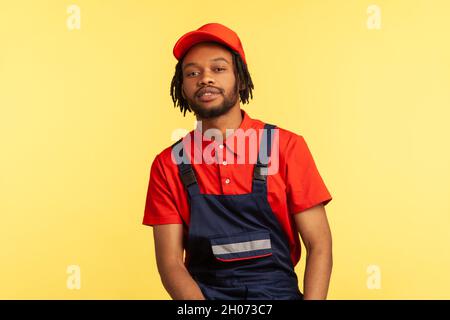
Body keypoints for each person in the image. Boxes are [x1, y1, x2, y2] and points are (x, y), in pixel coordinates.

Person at [143, 23, 333, 300]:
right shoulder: (168, 164)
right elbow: (170, 264)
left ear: (241, 79)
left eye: (218, 69)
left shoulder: (286, 147)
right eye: (192, 73)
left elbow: (319, 244)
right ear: (182, 88)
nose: (205, 79)